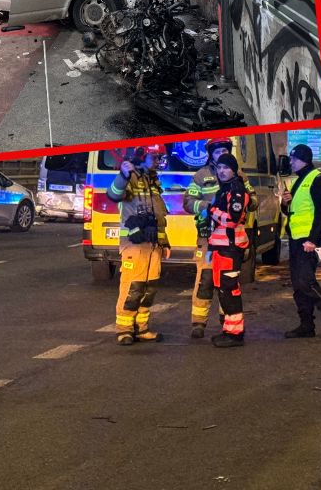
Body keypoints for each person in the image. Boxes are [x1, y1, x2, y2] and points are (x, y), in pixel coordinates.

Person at [183, 138, 258, 338]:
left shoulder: (239, 176)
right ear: (210, 154)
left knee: (227, 282)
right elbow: (188, 202)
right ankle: (199, 323)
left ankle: (228, 322)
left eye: (224, 150)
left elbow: (252, 199)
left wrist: (247, 202)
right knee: (206, 279)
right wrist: (207, 208)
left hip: (229, 239)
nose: (221, 154)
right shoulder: (201, 175)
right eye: (217, 152)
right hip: (208, 237)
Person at [107, 146, 171, 345]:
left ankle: (141, 328)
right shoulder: (131, 177)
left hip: (153, 245)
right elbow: (114, 194)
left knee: (149, 288)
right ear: (143, 156)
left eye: (159, 157)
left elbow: (159, 216)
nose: (158, 161)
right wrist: (123, 175)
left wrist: (164, 242)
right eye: (155, 156)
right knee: (132, 288)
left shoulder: (152, 180)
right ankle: (125, 330)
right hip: (134, 244)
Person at [281, 144, 321, 338]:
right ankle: (306, 325)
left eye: (293, 159)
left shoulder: (317, 179)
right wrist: (286, 203)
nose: (290, 162)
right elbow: (296, 211)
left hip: (307, 241)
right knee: (298, 285)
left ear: (303, 159)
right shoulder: (300, 180)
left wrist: (314, 240)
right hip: (297, 238)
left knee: (306, 281)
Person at [206, 153, 253, 348]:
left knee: (229, 290)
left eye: (226, 168)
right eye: (219, 168)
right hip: (222, 247)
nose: (222, 171)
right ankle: (229, 329)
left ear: (234, 170)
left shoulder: (236, 191)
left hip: (230, 248)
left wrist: (212, 211)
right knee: (224, 289)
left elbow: (232, 220)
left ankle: (235, 334)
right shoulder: (225, 190)